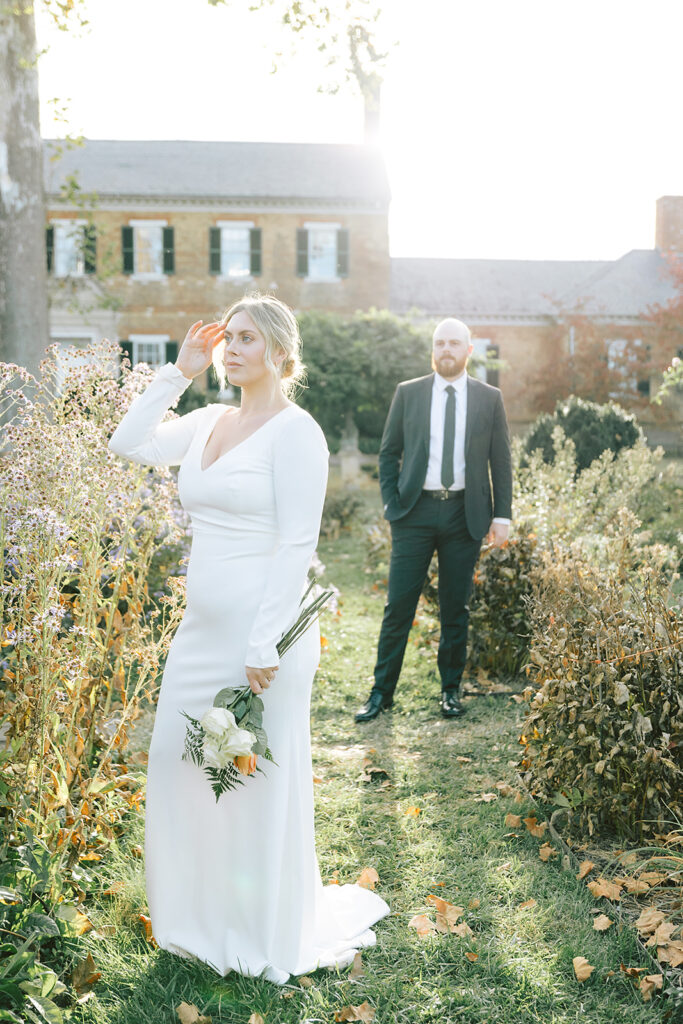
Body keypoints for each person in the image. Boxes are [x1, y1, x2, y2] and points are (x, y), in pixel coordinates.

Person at [109, 294, 388, 983]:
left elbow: (296, 540)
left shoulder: (297, 433)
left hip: (261, 643)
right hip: (200, 631)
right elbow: (126, 444)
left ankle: (257, 927)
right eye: (227, 337)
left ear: (280, 354)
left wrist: (265, 643)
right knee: (182, 764)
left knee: (250, 779)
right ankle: (196, 918)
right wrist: (177, 373)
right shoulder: (206, 419)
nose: (231, 349)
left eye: (247, 340)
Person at [356, 317, 512, 723]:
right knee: (398, 607)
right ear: (433, 349)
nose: (446, 349)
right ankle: (381, 693)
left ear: (468, 351)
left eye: (454, 343)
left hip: (466, 515)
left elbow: (502, 461)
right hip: (414, 514)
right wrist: (393, 504)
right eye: (440, 343)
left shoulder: (488, 397)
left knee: (454, 608)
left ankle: (450, 692)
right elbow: (388, 454)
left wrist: (503, 516)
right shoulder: (408, 394)